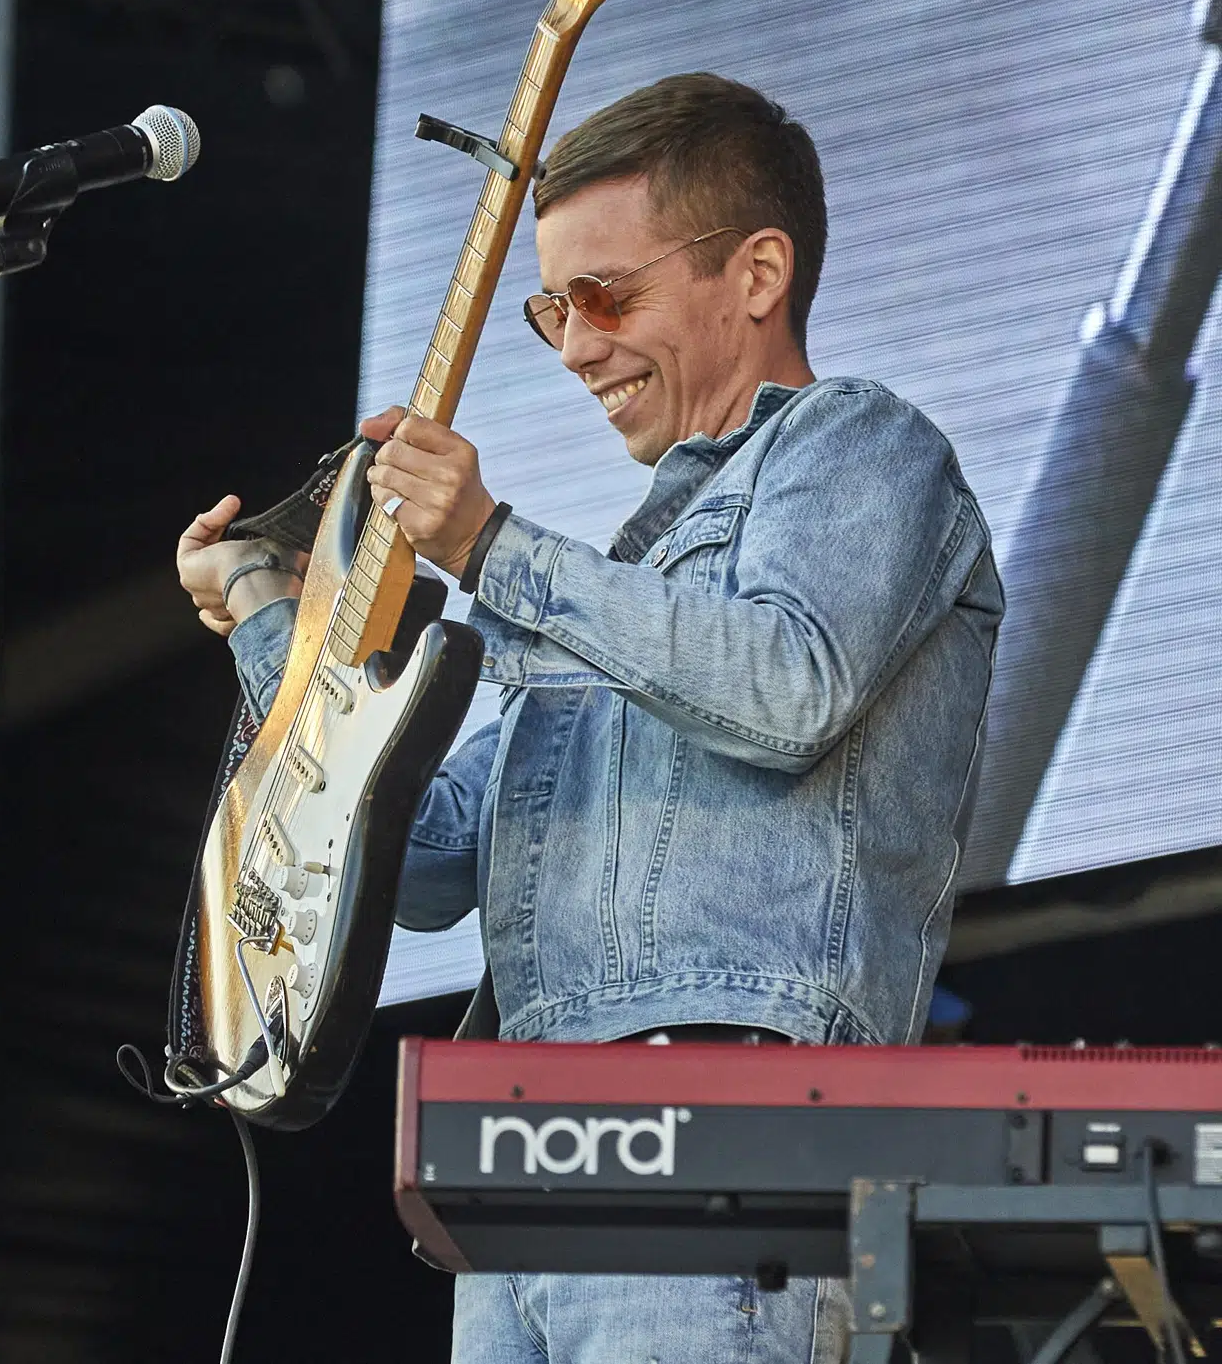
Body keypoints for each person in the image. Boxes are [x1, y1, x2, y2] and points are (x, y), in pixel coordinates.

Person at [176, 73, 1004, 1364]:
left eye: (609, 297)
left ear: (759, 271)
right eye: (551, 309)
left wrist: (492, 545)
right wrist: (271, 620)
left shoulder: (866, 447)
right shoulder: (622, 589)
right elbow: (431, 859)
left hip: (714, 1128)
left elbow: (788, 686)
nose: (573, 347)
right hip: (518, 1158)